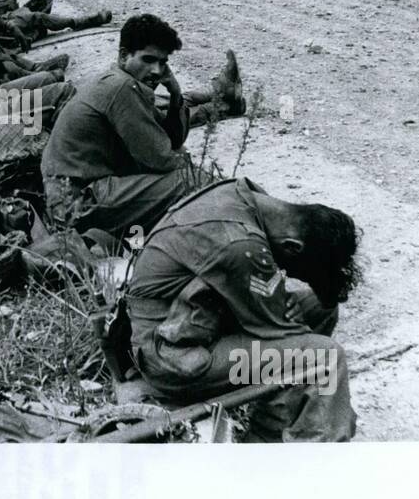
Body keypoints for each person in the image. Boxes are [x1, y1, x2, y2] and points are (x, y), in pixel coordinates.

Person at [123, 178, 361, 442]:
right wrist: (279, 314)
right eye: (296, 270)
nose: (287, 273)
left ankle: (274, 423)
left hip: (200, 321)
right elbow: (282, 331)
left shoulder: (249, 196)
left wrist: (277, 305)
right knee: (325, 358)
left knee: (318, 308)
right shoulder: (240, 245)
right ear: (292, 247)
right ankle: (312, 452)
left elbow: (283, 309)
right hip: (174, 359)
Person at [41, 14, 242, 236]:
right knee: (193, 181)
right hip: (75, 208)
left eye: (163, 62)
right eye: (148, 60)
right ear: (124, 56)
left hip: (78, 196)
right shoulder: (121, 88)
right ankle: (244, 221)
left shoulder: (120, 80)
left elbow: (170, 138)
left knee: (180, 154)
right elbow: (163, 158)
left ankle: (222, 101)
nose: (157, 70)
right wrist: (183, 159)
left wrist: (175, 93)